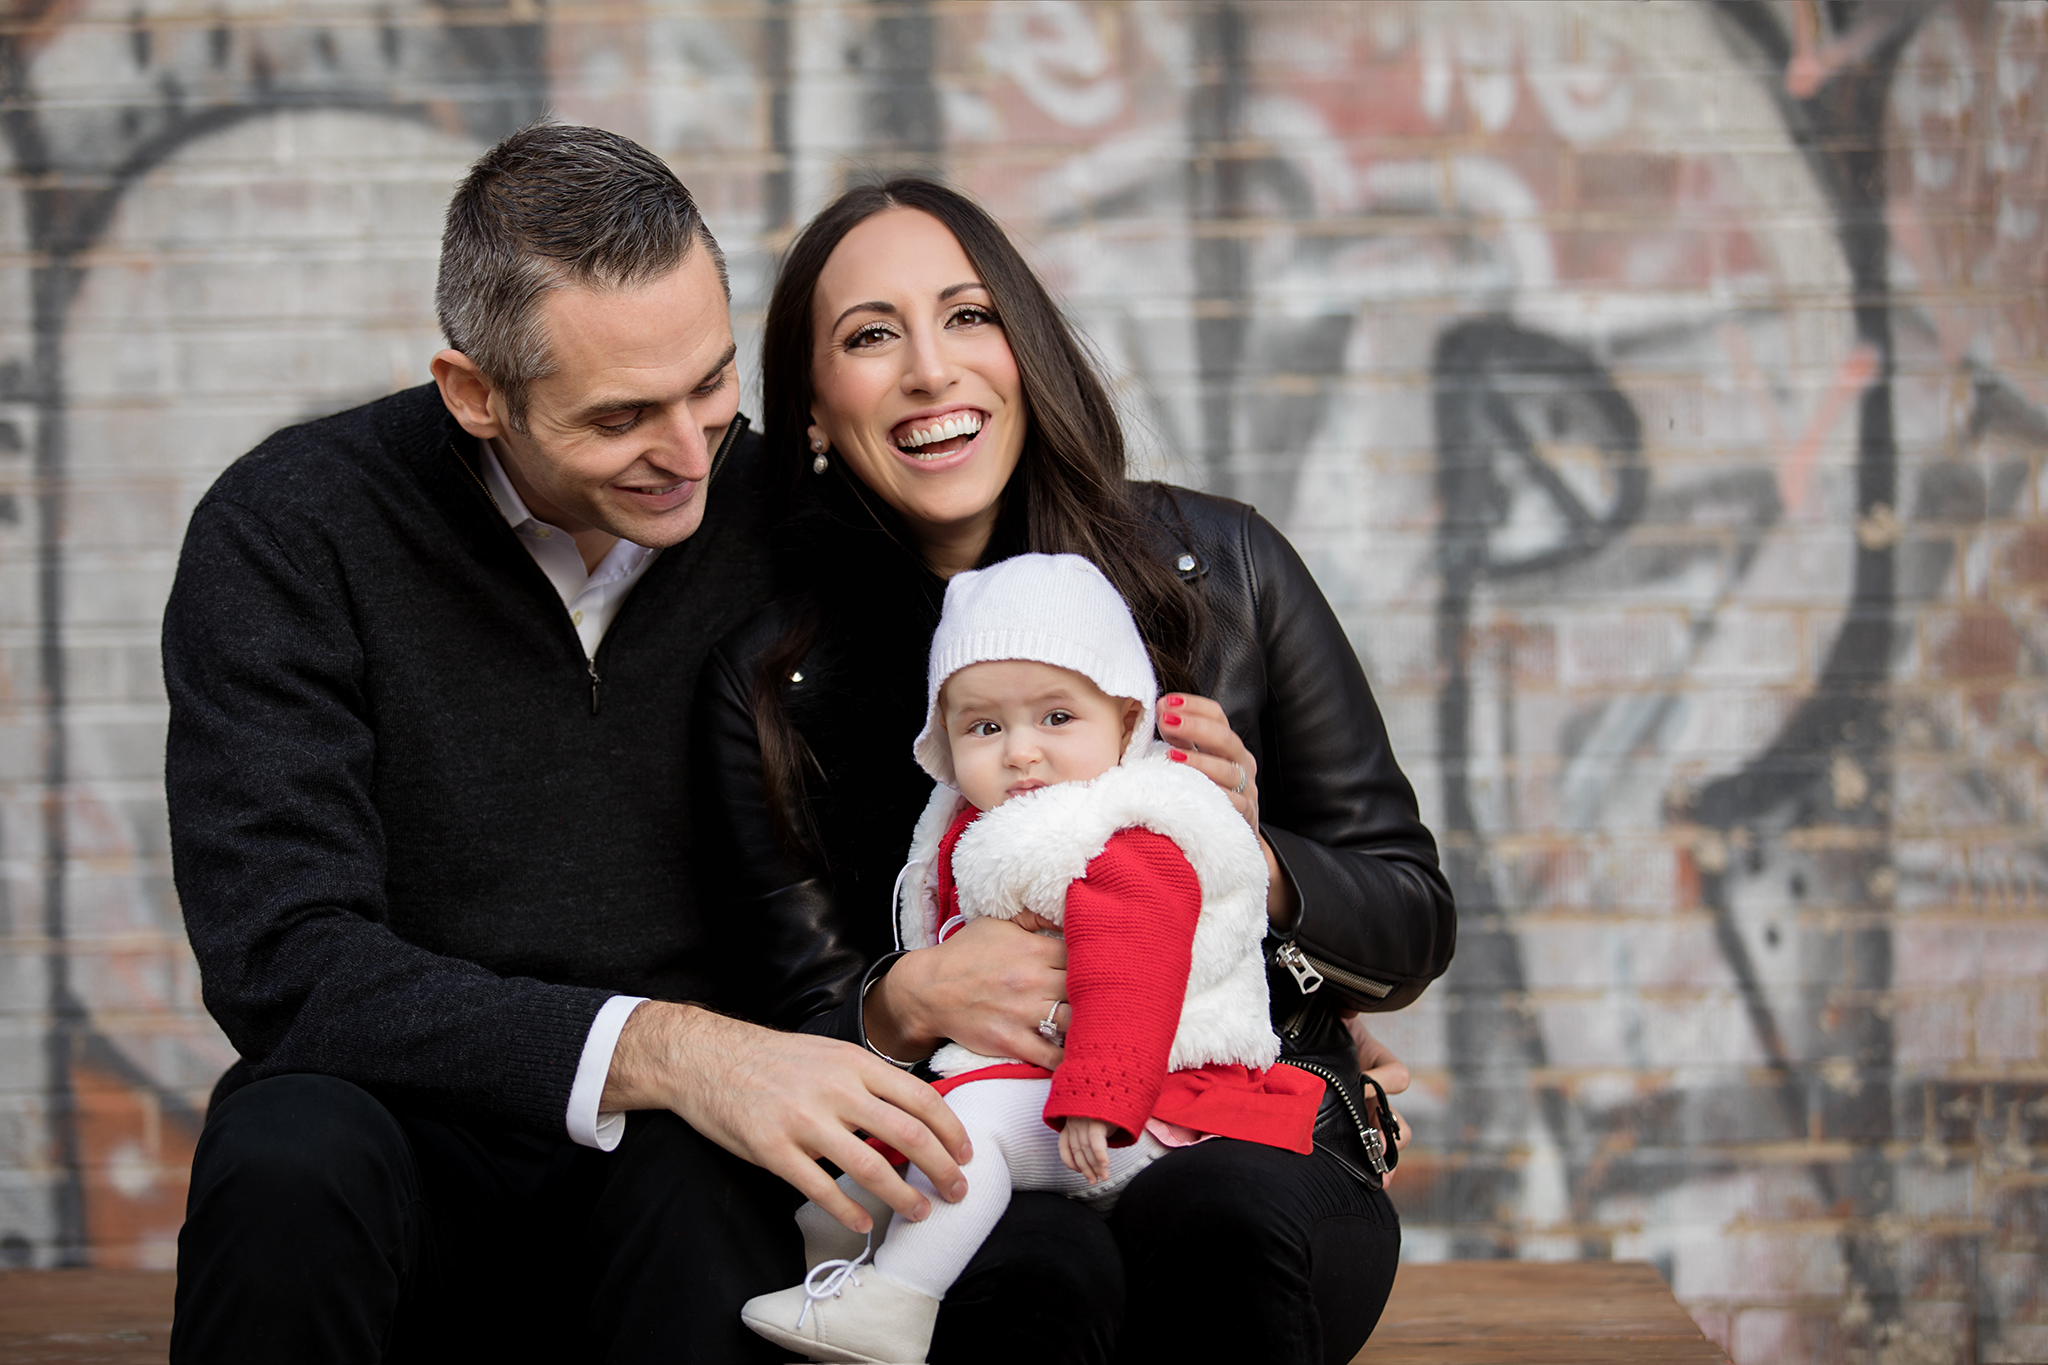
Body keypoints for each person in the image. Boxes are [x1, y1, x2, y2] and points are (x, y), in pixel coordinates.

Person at [162, 125, 971, 1365]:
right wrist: (666, 1045)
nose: (692, 453)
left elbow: (996, 766)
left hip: (679, 1170)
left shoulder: (804, 524)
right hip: (389, 1129)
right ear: (474, 392)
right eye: (620, 417)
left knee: (701, 1192)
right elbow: (284, 961)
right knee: (286, 1157)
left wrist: (1248, 921)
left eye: (710, 383)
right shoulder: (290, 530)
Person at [694, 177, 1457, 1365]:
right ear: (808, 411)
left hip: (1234, 1130)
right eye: (869, 336)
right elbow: (785, 1007)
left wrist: (1240, 858)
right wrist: (906, 1002)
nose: (929, 371)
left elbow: (1409, 915)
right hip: (970, 1135)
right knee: (1028, 1282)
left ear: (1025, 347)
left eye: (967, 316)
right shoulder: (769, 678)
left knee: (1217, 1225)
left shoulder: (1227, 574)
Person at [740, 553, 1331, 1363]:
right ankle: (846, 1264)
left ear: (1128, 721)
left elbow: (1134, 961)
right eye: (985, 726)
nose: (1021, 752)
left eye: (1057, 718)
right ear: (943, 742)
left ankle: (893, 1305)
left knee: (961, 1133)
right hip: (1069, 1089)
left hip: (1154, 1100)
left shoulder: (1124, 824)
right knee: (922, 1134)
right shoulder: (981, 828)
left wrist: (1101, 1092)